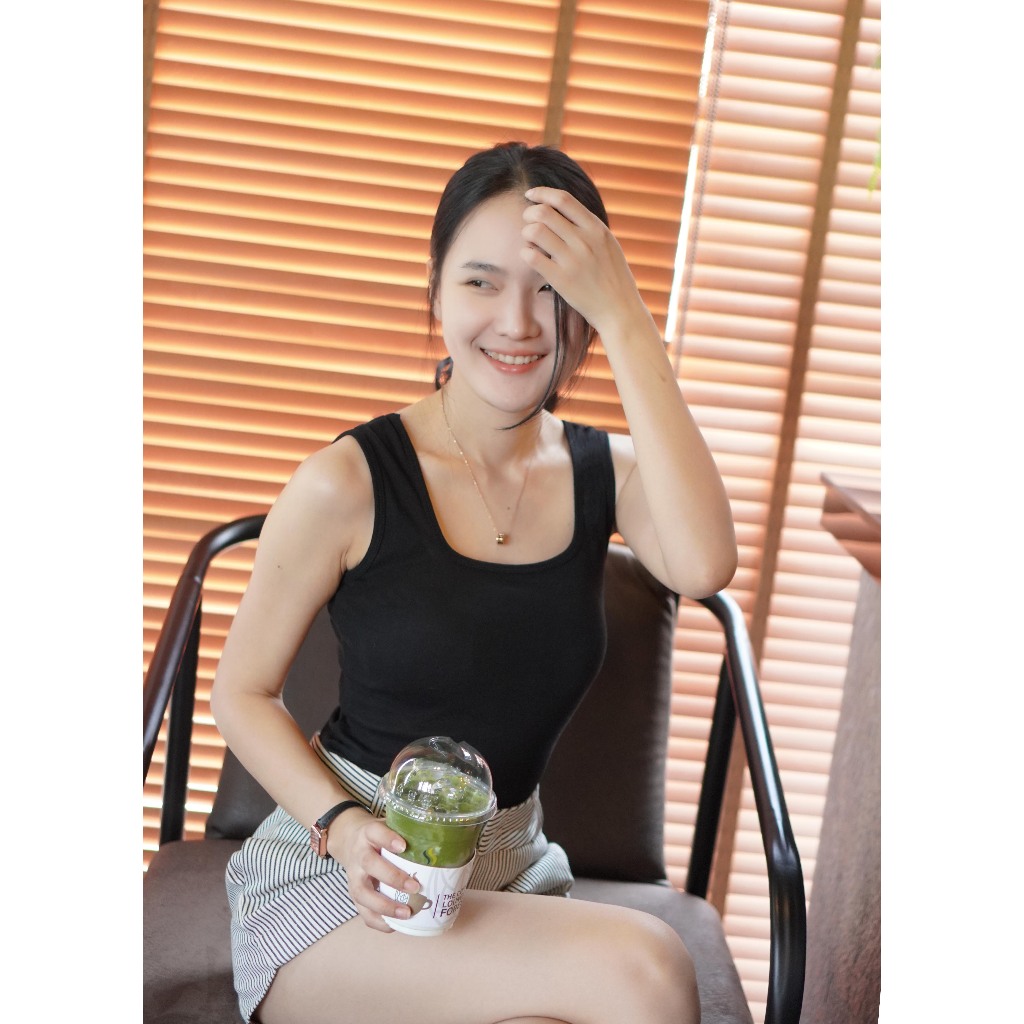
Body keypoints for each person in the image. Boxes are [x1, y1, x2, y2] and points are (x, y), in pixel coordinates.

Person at [211, 141, 737, 1024]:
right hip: (349, 874)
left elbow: (704, 564)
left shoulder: (608, 474)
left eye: (553, 289)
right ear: (437, 290)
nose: (518, 323)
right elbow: (242, 693)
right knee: (648, 966)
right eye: (482, 283)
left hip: (511, 872)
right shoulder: (348, 481)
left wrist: (628, 320)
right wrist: (343, 825)